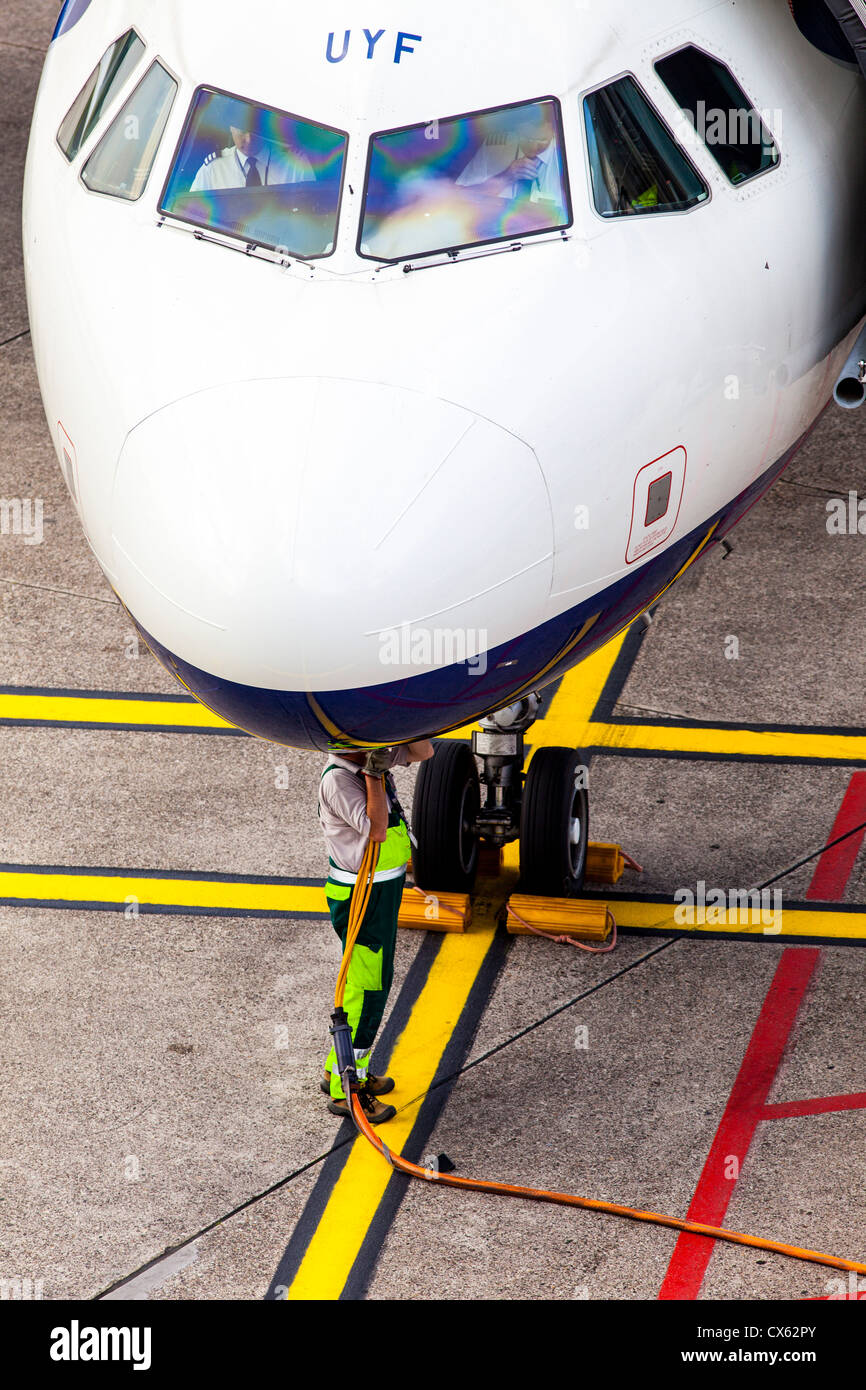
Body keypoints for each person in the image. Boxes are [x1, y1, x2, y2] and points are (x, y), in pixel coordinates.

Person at [318, 738, 434, 1123]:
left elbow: (424, 753)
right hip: (361, 895)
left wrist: (397, 732)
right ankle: (348, 1087)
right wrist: (373, 773)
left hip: (379, 890)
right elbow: (378, 829)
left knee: (363, 982)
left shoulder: (368, 752)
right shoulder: (340, 779)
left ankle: (338, 1069)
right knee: (368, 990)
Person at [456, 104, 563, 205]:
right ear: (516, 131)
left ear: (554, 132)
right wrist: (505, 177)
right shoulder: (494, 147)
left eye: (541, 140)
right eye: (525, 138)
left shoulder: (564, 157)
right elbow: (459, 197)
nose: (533, 147)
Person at [191, 120, 314, 192]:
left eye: (256, 133)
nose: (249, 140)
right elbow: (192, 212)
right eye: (243, 132)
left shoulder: (295, 163)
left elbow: (313, 213)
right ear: (231, 128)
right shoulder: (214, 167)